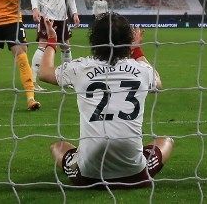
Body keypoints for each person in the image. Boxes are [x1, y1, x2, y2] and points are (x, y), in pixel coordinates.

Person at [39, 13, 174, 188]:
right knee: (166, 141)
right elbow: (158, 82)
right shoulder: (142, 70)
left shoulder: (80, 68)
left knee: (57, 146)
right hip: (135, 175)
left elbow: (43, 72)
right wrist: (136, 49)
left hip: (88, 177)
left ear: (94, 40)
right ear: (127, 40)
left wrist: (51, 40)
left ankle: (81, 160)